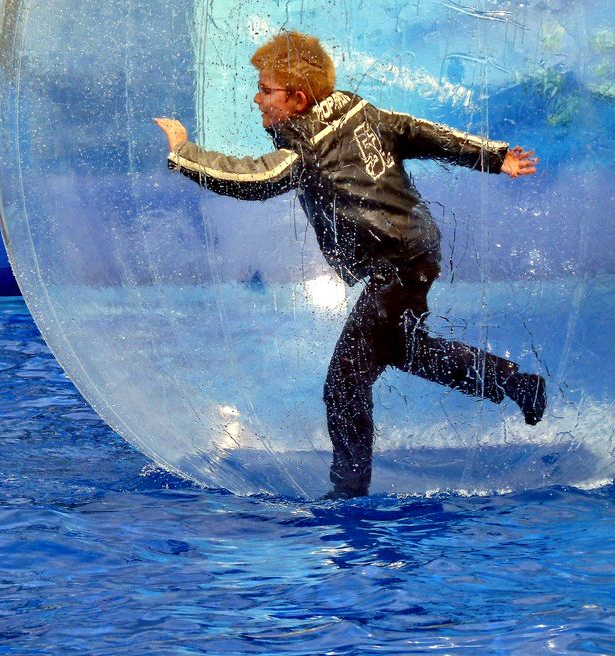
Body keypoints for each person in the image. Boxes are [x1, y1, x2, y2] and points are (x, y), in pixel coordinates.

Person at [155, 31, 546, 499]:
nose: (256, 98)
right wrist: (494, 155)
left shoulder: (307, 147)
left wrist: (183, 152)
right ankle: (517, 383)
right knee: (402, 350)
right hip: (415, 253)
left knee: (344, 384)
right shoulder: (357, 111)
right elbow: (420, 131)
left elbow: (255, 178)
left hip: (395, 268)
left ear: (297, 99)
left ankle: (348, 493)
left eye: (265, 90)